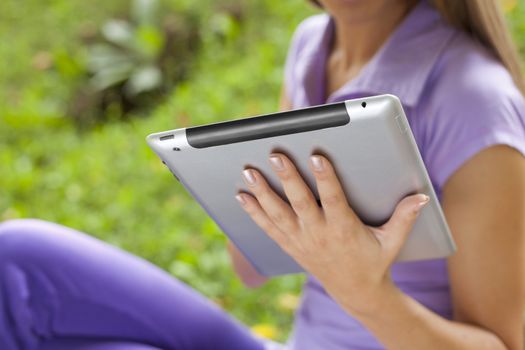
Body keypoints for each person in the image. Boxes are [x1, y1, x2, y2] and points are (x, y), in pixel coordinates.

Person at [1, 0, 524, 349]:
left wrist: (365, 291)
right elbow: (250, 268)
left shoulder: (471, 99)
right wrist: (244, 202)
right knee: (17, 259)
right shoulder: (313, 43)